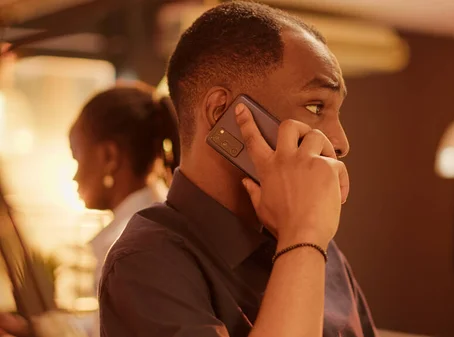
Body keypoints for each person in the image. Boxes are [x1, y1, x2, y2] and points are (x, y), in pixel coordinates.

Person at [99, 2, 377, 337]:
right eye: (316, 106)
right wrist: (302, 240)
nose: (341, 142)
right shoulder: (145, 262)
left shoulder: (323, 248)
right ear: (222, 113)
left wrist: (305, 238)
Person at [0, 82, 180, 337]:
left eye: (77, 158)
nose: (74, 176)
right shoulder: (157, 217)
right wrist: (31, 328)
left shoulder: (128, 245)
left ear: (109, 157)